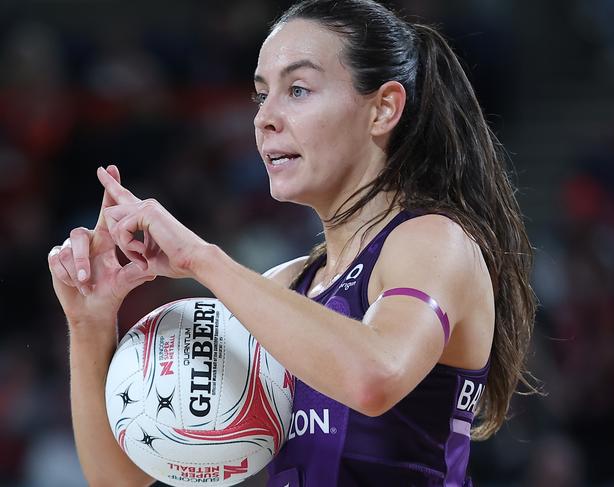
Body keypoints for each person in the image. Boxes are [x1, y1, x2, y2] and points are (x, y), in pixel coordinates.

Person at [47, 0, 537, 485]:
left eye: (298, 90)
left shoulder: (434, 239)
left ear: (383, 108)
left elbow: (375, 376)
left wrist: (200, 258)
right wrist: (90, 322)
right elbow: (122, 479)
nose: (265, 118)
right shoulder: (287, 284)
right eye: (262, 95)